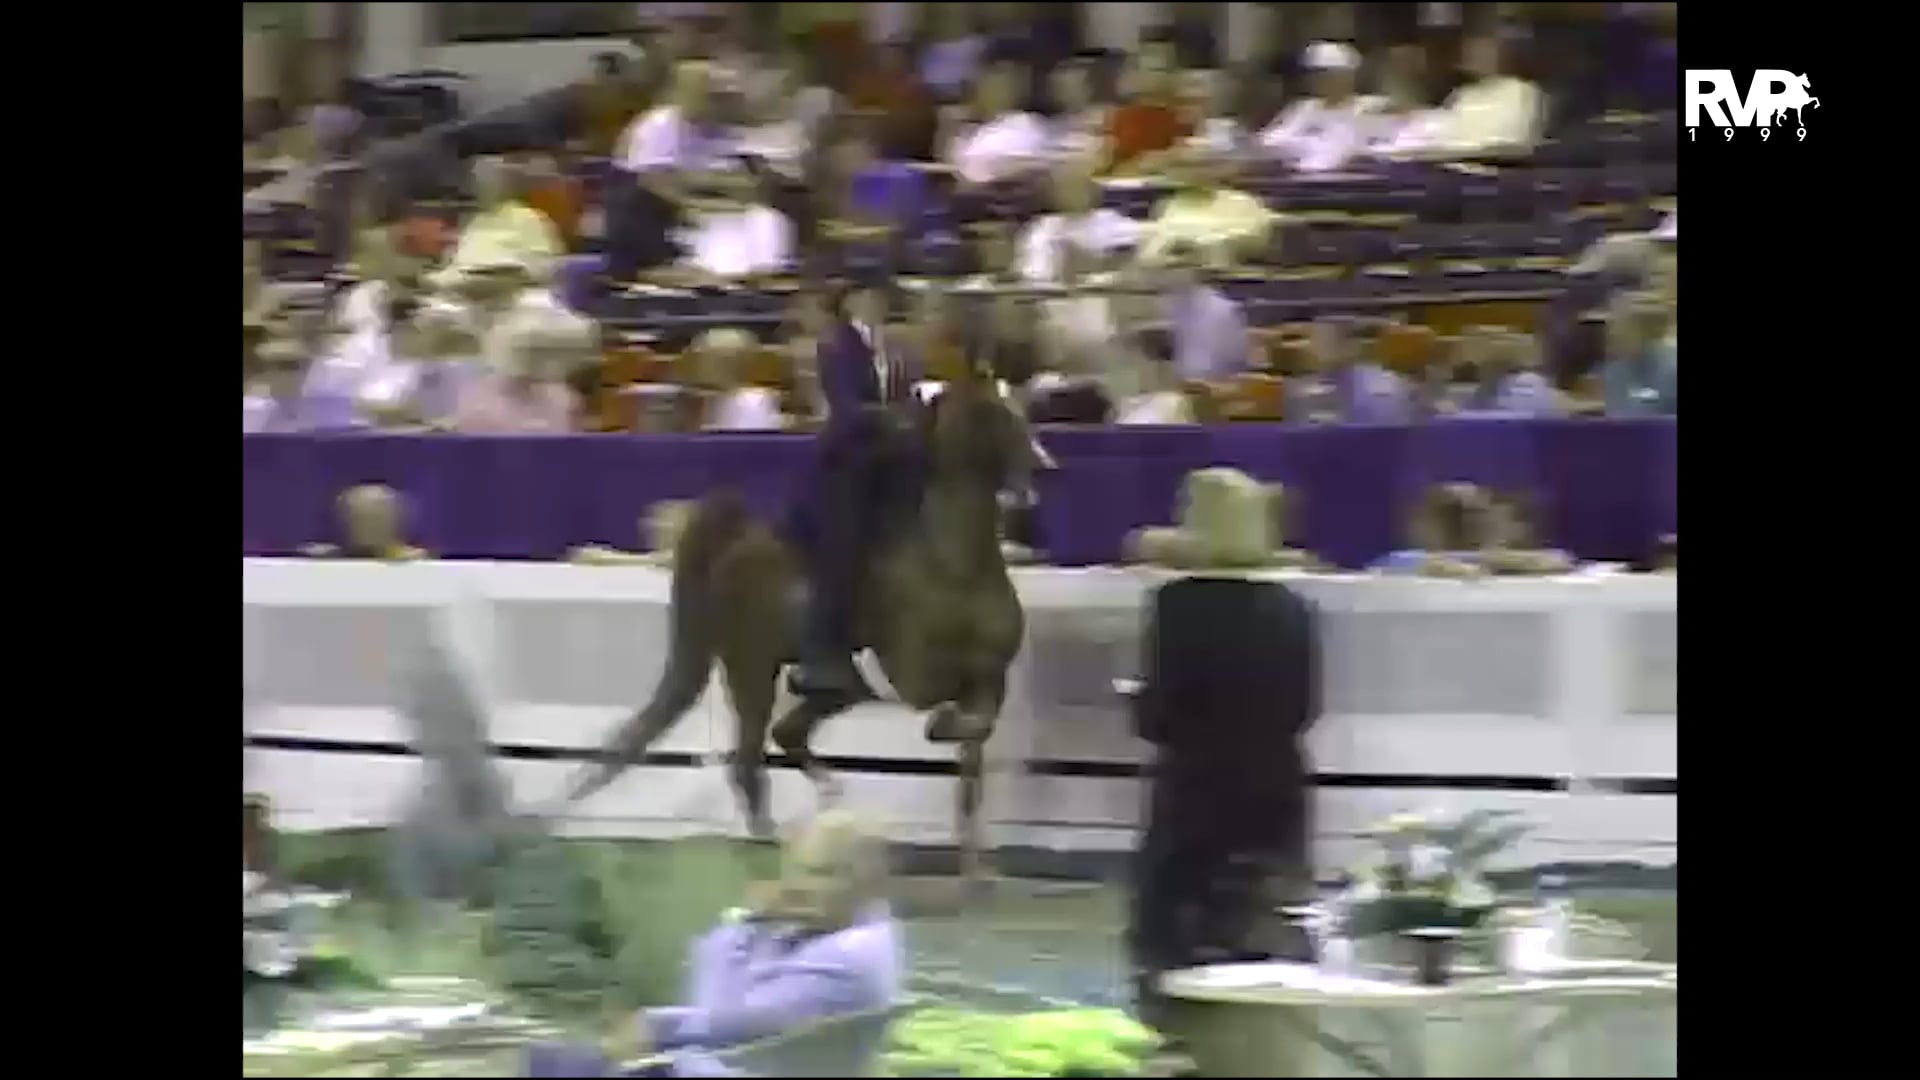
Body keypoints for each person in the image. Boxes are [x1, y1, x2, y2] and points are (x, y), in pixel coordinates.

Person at [1125, 468, 1321, 1017]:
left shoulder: (1176, 605)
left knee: (1174, 933)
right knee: (1269, 914)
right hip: (1278, 782)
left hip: (1198, 785)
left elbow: (1162, 715)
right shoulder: (1294, 608)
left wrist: (1137, 705)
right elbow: (1305, 710)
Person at [527, 810, 903, 1078]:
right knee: (545, 1058)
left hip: (704, 1068)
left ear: (867, 881)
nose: (799, 886)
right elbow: (717, 982)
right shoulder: (837, 929)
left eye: (821, 874)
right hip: (706, 1062)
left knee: (541, 1064)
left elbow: (719, 1010)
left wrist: (655, 1026)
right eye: (798, 870)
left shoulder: (848, 958)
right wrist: (754, 925)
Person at [788, 276, 919, 697]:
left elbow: (907, 396)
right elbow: (845, 408)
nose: (875, 302)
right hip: (847, 461)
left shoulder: (896, 347)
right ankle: (819, 653)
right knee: (841, 551)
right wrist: (890, 419)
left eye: (880, 295)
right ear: (851, 302)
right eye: (868, 295)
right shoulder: (835, 346)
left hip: (893, 458)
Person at [1135, 148, 1279, 269]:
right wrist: (1180, 258)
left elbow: (1254, 240)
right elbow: (1149, 255)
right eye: (1184, 167)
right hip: (1172, 278)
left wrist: (1199, 248)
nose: (1193, 174)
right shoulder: (1167, 206)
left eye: (1201, 166)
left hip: (1224, 276)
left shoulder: (1243, 202)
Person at [434, 156, 564, 289]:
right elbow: (453, 266)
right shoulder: (474, 221)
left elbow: (545, 266)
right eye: (476, 182)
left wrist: (511, 274)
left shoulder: (528, 217)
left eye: (487, 181)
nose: (479, 187)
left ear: (502, 184)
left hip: (515, 294)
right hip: (462, 294)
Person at [1257, 41, 1382, 173]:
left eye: (1326, 74)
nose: (1317, 80)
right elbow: (1269, 142)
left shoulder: (1371, 108)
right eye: (1314, 74)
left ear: (1347, 76)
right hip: (1300, 180)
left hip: (1352, 183)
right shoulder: (1303, 108)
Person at [1014, 159, 1142, 284]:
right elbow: (1035, 278)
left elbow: (1145, 245)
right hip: (1053, 297)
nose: (1071, 194)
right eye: (1064, 189)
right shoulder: (1042, 228)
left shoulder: (1111, 221)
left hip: (1105, 294)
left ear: (1092, 191)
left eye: (1077, 187)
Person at [302, 485, 430, 561]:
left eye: (377, 518)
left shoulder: (423, 565)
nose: (368, 526)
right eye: (358, 517)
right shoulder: (328, 560)